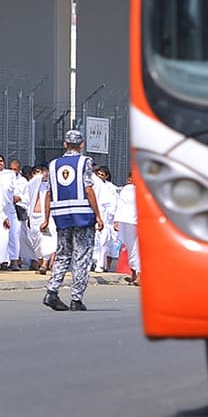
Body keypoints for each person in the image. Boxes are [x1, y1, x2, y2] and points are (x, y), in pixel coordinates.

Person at [43, 129, 104, 312]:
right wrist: (98, 215)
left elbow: (48, 193)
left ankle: (52, 290)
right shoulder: (85, 162)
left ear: (64, 144)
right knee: (82, 256)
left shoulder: (53, 164)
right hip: (83, 215)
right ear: (82, 145)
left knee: (62, 253)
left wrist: (46, 218)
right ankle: (76, 298)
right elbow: (88, 189)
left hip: (61, 214)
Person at [110, 170, 140, 286]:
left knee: (137, 248)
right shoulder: (126, 190)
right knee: (130, 246)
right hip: (126, 221)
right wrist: (116, 221)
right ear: (129, 179)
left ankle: (139, 275)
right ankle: (133, 271)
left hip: (138, 222)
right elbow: (120, 205)